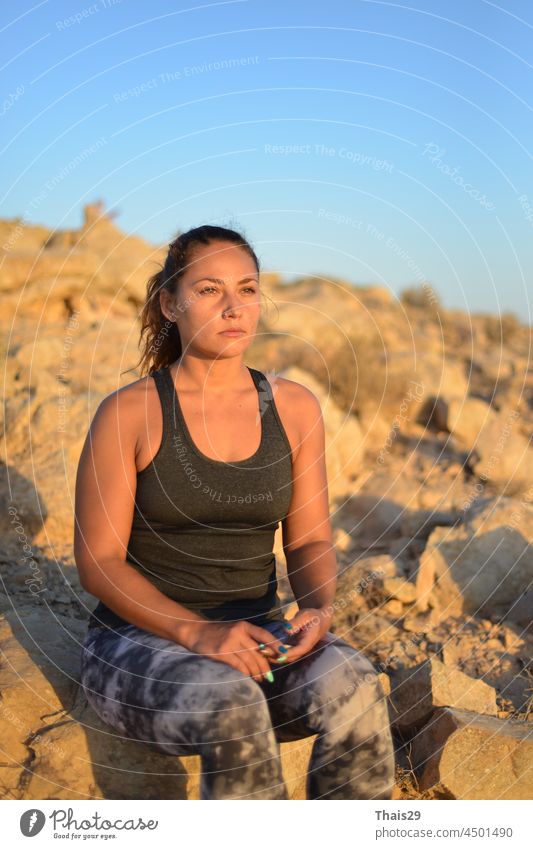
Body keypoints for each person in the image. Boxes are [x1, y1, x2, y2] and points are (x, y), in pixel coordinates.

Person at [75, 224, 396, 800]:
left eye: (247, 289)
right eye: (209, 290)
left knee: (355, 683)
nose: (233, 307)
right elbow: (98, 562)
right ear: (170, 304)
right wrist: (198, 632)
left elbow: (309, 542)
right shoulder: (128, 413)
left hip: (256, 637)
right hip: (138, 643)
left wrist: (319, 608)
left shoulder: (294, 406)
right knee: (232, 704)